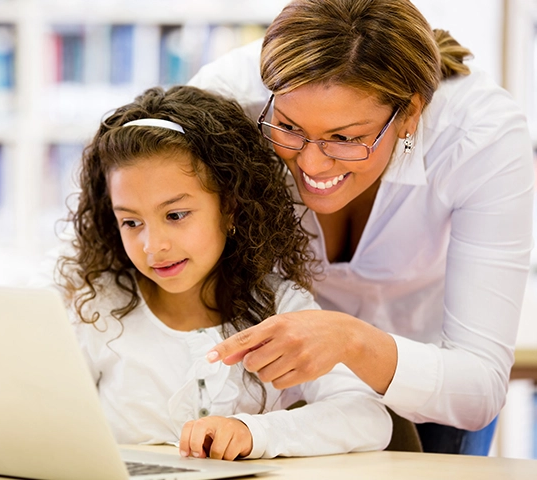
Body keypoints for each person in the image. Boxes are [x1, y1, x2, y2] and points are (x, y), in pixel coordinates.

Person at [188, 0, 534, 455]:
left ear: (409, 113)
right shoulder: (229, 103)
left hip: (430, 384)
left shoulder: (480, 136)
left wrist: (349, 339)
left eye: (346, 138)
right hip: (282, 392)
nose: (310, 163)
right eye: (290, 128)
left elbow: (479, 390)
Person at [50, 85, 392, 460]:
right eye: (131, 222)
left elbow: (367, 417)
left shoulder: (280, 307)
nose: (153, 245)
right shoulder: (93, 307)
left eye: (176, 215)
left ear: (229, 206)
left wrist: (253, 432)